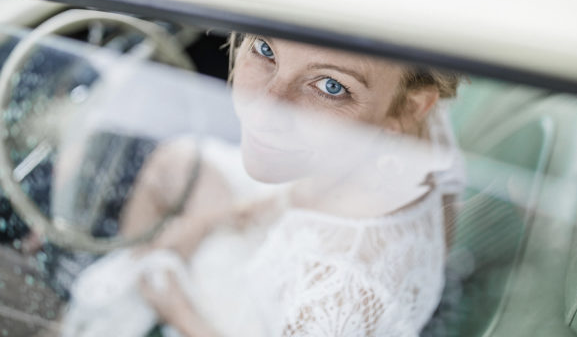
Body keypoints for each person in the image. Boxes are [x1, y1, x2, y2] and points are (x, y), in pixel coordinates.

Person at [65, 34, 464, 337]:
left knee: (165, 210)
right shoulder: (410, 126)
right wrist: (221, 218)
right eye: (265, 49)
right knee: (176, 162)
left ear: (411, 107)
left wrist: (174, 306)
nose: (262, 109)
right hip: (297, 222)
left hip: (258, 312)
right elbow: (314, 193)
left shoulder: (337, 301)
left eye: (330, 86)